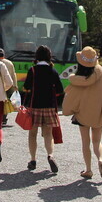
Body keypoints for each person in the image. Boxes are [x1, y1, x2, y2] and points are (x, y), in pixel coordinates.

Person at [61, 46, 102, 179]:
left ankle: (88, 170)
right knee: (97, 141)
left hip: (82, 114)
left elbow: (70, 100)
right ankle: (101, 159)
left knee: (86, 142)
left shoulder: (77, 79)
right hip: (99, 113)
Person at [23, 45, 64, 173]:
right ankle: (50, 155)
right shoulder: (53, 71)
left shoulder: (33, 70)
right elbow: (60, 90)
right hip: (49, 106)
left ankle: (33, 159)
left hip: (34, 105)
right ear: (49, 56)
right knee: (48, 134)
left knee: (32, 134)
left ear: (37, 56)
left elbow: (26, 87)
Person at [0, 48, 17, 125]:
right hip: (8, 86)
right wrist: (15, 86)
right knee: (6, 102)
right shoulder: (9, 63)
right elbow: (13, 75)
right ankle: (4, 118)